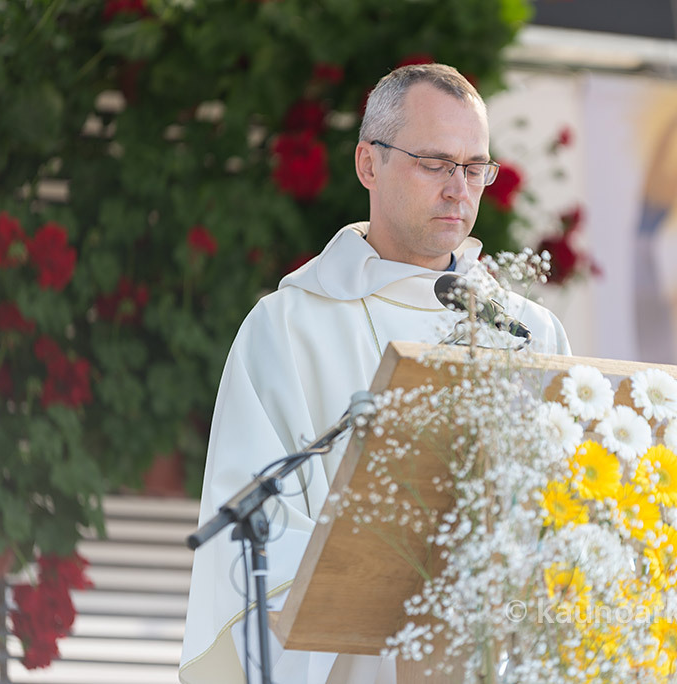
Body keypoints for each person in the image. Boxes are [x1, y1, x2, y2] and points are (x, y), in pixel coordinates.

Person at [179, 64, 571, 684]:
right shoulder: (290, 326)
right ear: (369, 163)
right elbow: (258, 541)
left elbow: (562, 521)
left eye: (475, 168)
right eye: (435, 163)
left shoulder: (528, 333)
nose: (459, 189)